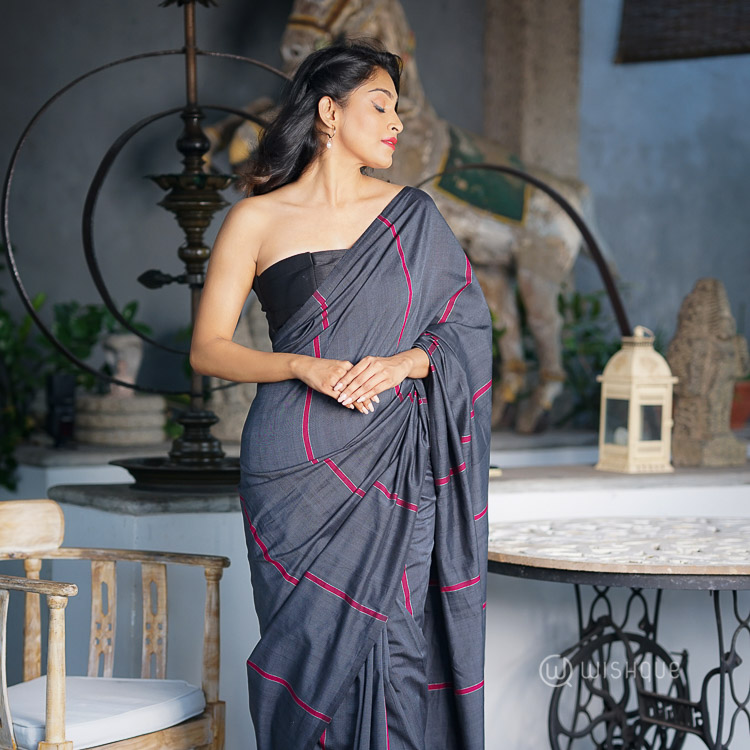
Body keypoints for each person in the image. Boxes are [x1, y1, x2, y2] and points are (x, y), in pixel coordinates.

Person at [190, 38, 492, 750]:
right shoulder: (255, 219)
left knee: (399, 648)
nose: (397, 123)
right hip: (293, 469)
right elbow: (208, 349)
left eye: (398, 110)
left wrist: (405, 363)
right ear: (329, 112)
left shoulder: (413, 216)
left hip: (396, 462)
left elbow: (465, 327)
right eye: (381, 106)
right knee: (310, 659)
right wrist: (302, 366)